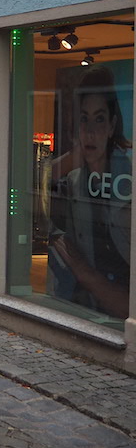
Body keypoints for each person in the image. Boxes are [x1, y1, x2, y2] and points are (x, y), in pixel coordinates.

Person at [48, 65, 131, 319]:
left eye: (99, 118)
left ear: (112, 124)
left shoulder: (128, 178)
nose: (90, 131)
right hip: (87, 313)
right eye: (84, 119)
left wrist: (85, 273)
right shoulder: (74, 183)